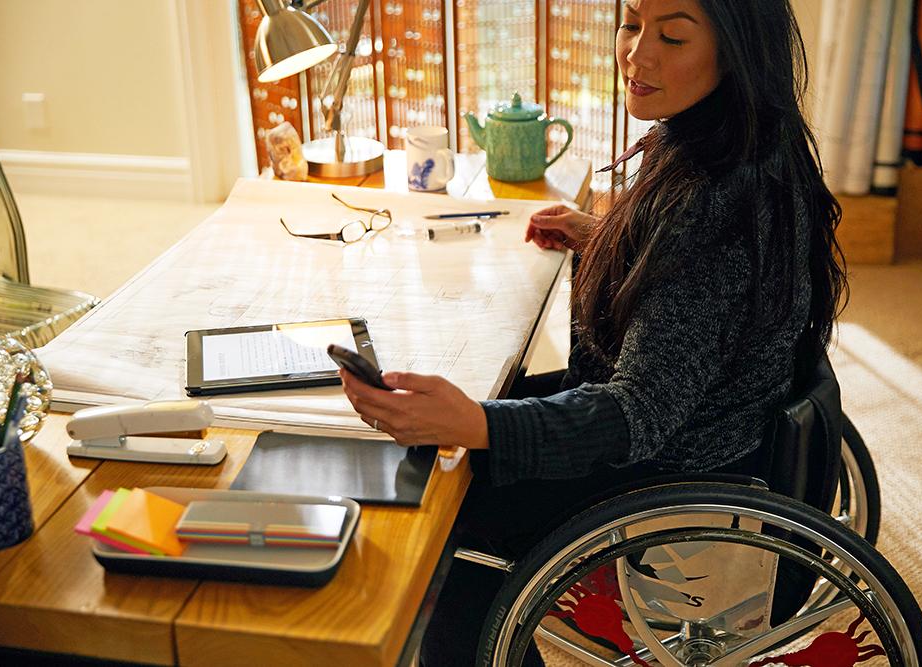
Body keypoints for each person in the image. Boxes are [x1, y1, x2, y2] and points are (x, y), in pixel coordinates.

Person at [340, 0, 847, 664]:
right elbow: (701, 307)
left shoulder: (714, 202)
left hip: (681, 492)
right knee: (483, 413)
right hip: (725, 443)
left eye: (671, 34)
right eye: (632, 21)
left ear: (737, 50)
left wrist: (480, 426)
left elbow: (636, 412)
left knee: (447, 502)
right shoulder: (747, 142)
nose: (637, 51)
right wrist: (616, 242)